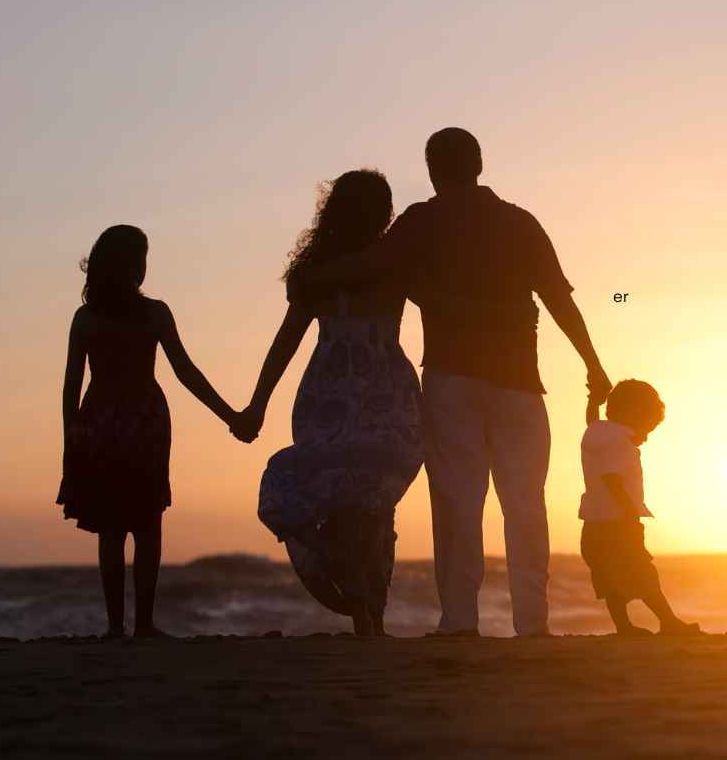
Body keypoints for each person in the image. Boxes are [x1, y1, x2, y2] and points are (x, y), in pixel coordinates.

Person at [296, 127, 611, 637]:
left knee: (457, 501)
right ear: (480, 163)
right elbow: (559, 300)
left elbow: (370, 264)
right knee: (525, 503)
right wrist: (593, 366)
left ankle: (460, 622)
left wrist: (313, 277)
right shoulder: (520, 222)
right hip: (520, 384)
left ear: (431, 169)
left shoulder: (424, 219)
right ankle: (533, 623)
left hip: (453, 381)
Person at [234, 170, 425, 636]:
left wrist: (258, 404)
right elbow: (287, 338)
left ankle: (359, 598)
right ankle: (367, 611)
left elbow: (285, 343)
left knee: (354, 503)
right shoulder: (390, 262)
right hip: (380, 393)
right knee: (374, 506)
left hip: (332, 394)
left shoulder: (319, 273)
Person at [59, 224, 239, 638]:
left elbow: (71, 387)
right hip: (142, 421)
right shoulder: (153, 313)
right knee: (146, 523)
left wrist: (70, 439)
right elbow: (186, 373)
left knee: (112, 528)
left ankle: (116, 627)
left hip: (103, 421)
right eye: (140, 258)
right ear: (129, 264)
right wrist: (231, 415)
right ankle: (142, 624)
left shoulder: (87, 318)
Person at [578, 379, 701, 636]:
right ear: (634, 415)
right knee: (642, 573)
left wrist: (593, 402)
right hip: (618, 524)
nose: (645, 437)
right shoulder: (620, 444)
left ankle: (623, 626)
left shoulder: (597, 431)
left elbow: (592, 420)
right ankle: (668, 621)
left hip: (592, 527)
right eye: (648, 427)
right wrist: (630, 514)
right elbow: (612, 479)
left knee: (609, 578)